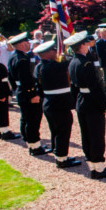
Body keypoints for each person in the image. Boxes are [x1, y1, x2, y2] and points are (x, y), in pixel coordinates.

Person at [65, 31, 106, 179]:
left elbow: (74, 88)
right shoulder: (86, 63)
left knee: (87, 135)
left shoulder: (73, 62)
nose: (89, 45)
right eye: (86, 43)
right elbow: (95, 87)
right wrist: (105, 105)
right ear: (82, 45)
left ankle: (92, 164)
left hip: (82, 102)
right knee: (96, 136)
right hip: (91, 103)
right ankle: (99, 168)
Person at [33, 40, 81, 168]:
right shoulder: (52, 66)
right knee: (63, 130)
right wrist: (71, 51)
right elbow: (70, 61)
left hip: (49, 103)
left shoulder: (39, 66)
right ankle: (62, 159)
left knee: (55, 130)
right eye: (54, 50)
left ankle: (58, 153)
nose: (56, 52)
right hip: (59, 104)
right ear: (48, 53)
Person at [7, 32, 49, 155]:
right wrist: (32, 94)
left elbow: (11, 78)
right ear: (20, 44)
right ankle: (34, 146)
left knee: (26, 118)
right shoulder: (22, 59)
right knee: (32, 119)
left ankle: (30, 142)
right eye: (26, 43)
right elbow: (25, 78)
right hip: (28, 93)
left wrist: (17, 90)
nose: (28, 45)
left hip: (21, 92)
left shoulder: (13, 56)